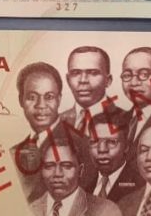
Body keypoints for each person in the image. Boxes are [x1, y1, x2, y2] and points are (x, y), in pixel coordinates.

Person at [58, 46, 125, 192]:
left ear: (108, 80)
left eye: (93, 73)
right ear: (68, 80)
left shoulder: (128, 121)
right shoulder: (55, 123)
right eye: (76, 73)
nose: (83, 80)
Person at [12, 62, 66, 200]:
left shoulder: (80, 147)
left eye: (49, 97)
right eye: (32, 97)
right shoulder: (13, 153)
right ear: (21, 100)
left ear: (59, 100)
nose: (41, 105)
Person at [29, 141, 122, 216]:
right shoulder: (29, 208)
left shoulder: (106, 211)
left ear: (80, 170)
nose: (57, 173)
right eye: (49, 166)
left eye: (66, 166)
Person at [86, 114, 145, 203]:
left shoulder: (141, 186)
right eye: (94, 142)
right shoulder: (83, 187)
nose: (102, 149)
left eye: (111, 142)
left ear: (126, 146)